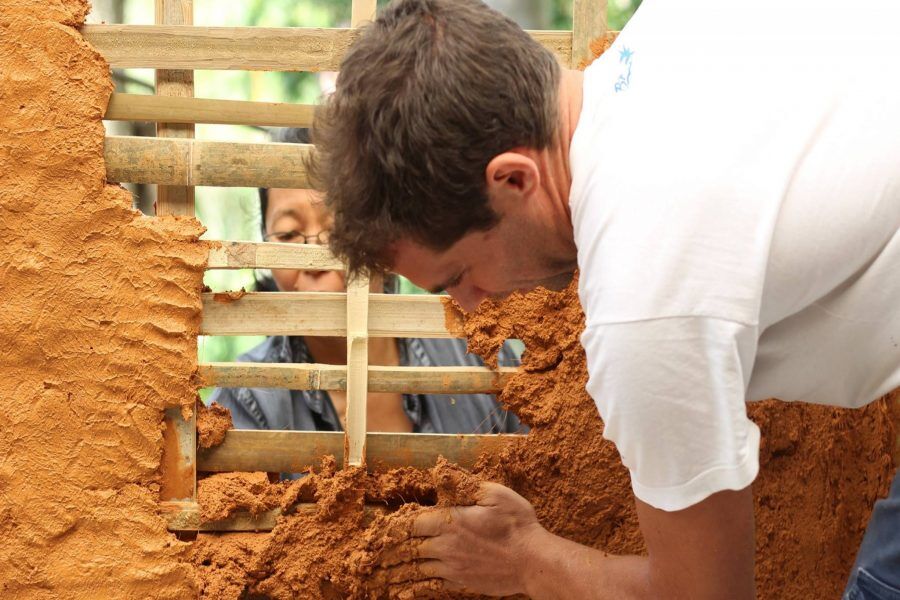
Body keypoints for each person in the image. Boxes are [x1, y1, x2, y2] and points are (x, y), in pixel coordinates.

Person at [309, 0, 900, 598]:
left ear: (513, 179)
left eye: (459, 274)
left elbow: (707, 595)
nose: (473, 304)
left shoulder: (642, 295)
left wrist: (524, 560)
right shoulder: (671, 26)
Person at [210, 128, 523, 442]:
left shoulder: (477, 357)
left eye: (337, 229)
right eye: (288, 234)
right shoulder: (246, 400)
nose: (315, 259)